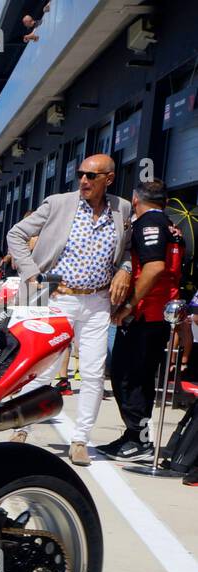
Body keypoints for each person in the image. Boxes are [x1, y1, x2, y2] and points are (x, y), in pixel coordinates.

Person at [7, 154, 133, 465]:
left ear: (109, 179)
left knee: (92, 373)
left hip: (97, 302)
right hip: (56, 298)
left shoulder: (123, 209)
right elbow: (16, 235)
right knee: (43, 368)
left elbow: (128, 250)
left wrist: (126, 268)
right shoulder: (59, 203)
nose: (84, 181)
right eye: (81, 174)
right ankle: (22, 426)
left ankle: (81, 439)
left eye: (92, 176)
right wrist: (32, 274)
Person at [98, 180, 186, 461]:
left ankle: (139, 439)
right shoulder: (171, 226)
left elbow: (155, 267)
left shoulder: (149, 223)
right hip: (159, 313)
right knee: (140, 377)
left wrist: (129, 305)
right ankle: (135, 436)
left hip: (147, 313)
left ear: (135, 199)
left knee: (126, 377)